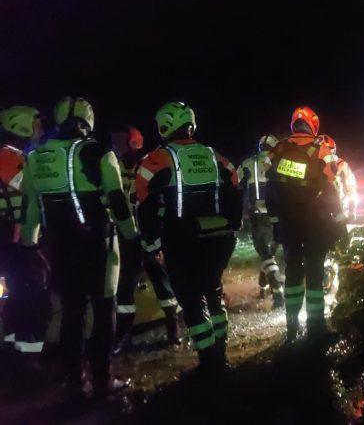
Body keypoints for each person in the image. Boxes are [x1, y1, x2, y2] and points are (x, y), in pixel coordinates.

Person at [21, 96, 138, 397]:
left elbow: (31, 205)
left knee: (72, 311)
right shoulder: (99, 152)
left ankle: (74, 378)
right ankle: (102, 378)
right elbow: (117, 200)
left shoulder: (36, 156)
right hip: (99, 242)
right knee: (104, 308)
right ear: (89, 120)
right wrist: (131, 234)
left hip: (60, 244)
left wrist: (29, 243)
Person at [135, 102, 241, 376]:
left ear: (164, 126)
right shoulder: (215, 156)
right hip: (218, 237)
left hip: (181, 240)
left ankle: (210, 362)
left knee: (192, 301)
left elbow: (144, 203)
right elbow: (235, 186)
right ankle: (221, 354)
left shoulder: (155, 160)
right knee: (213, 293)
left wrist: (151, 243)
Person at [265, 106, 346, 342]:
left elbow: (269, 184)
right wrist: (339, 221)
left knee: (292, 272)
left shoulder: (279, 149)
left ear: (294, 125)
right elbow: (332, 184)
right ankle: (316, 328)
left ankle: (292, 328)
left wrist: (276, 221)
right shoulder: (322, 149)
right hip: (315, 221)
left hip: (288, 222)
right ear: (314, 125)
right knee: (314, 272)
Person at [110, 125, 180, 354]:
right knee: (125, 285)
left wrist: (157, 230)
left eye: (119, 142)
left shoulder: (148, 165)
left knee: (160, 278)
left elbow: (159, 199)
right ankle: (123, 334)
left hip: (148, 231)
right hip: (125, 235)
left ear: (133, 143)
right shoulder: (112, 166)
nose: (115, 146)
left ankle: (173, 329)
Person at [0, 106, 49, 363]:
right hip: (15, 240)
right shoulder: (10, 158)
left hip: (9, 239)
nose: (40, 130)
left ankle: (12, 348)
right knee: (34, 295)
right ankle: (28, 357)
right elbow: (37, 190)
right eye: (36, 125)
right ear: (22, 127)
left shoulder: (10, 156)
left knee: (17, 294)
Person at [238, 134, 285, 308]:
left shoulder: (248, 162)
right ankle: (263, 284)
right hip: (278, 215)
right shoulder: (281, 161)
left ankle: (278, 293)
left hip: (258, 215)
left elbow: (235, 181)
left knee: (266, 254)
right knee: (269, 253)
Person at [317, 134, 357, 221]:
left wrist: (352, 208)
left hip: (340, 207)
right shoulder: (314, 163)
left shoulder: (341, 164)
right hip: (323, 207)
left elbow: (351, 186)